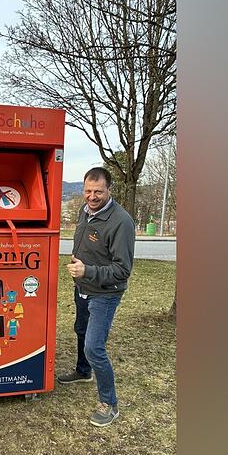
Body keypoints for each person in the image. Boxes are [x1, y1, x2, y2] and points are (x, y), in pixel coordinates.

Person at [57, 167, 135, 427]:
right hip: (83, 287)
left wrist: (87, 270)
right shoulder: (84, 211)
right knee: (80, 329)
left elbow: (123, 270)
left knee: (94, 347)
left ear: (108, 189)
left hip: (105, 293)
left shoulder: (121, 221)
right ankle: (83, 371)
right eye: (88, 191)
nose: (92, 196)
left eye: (98, 192)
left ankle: (109, 403)